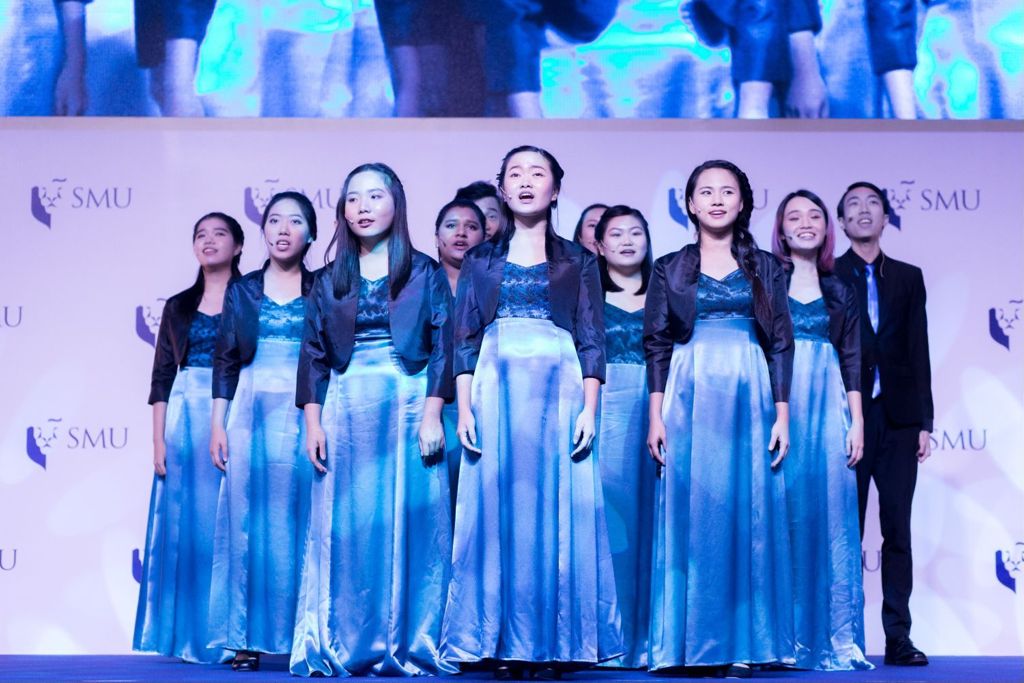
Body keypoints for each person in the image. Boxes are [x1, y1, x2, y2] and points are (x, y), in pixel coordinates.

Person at [441, 145, 622, 679]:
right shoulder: (480, 259)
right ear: (501, 188)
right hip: (496, 387)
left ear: (556, 189)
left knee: (555, 510)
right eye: (515, 174)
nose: (525, 182)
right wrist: (465, 404)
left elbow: (591, 335)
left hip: (558, 388)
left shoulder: (579, 259)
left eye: (536, 173)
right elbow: (466, 334)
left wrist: (591, 407)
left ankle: (552, 641)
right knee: (499, 510)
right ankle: (500, 639)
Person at [290, 163, 455, 676]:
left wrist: (433, 413)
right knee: (346, 524)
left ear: (396, 205)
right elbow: (313, 353)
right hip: (346, 404)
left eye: (374, 196)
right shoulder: (326, 279)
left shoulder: (424, 271)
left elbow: (445, 345)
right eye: (353, 198)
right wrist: (313, 423)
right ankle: (341, 640)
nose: (363, 207)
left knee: (414, 522)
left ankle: (411, 640)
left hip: (407, 400)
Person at [644, 159, 794, 676]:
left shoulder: (769, 267)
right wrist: (655, 415)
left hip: (749, 389)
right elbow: (657, 342)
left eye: (726, 191)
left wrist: (782, 413)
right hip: (689, 387)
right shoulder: (669, 267)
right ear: (688, 204)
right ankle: (690, 644)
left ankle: (744, 643)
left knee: (745, 510)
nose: (715, 199)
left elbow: (780, 343)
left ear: (743, 202)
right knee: (695, 511)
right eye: (704, 191)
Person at [208, 191, 318, 672]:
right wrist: (218, 422)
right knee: (245, 520)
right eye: (274, 220)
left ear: (311, 234)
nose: (282, 229)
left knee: (304, 518)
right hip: (250, 409)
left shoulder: (325, 288)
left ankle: (306, 633)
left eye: (295, 221)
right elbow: (226, 359)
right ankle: (243, 636)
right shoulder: (243, 290)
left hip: (306, 410)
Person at [134, 212, 244, 664]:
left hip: (238, 408)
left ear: (239, 246)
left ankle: (236, 634)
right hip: (185, 413)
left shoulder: (253, 295)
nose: (209, 241)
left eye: (220, 234)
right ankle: (191, 636)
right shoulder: (178, 306)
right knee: (189, 527)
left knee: (234, 523)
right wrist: (158, 440)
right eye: (201, 235)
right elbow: (162, 375)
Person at [772, 190, 872, 671]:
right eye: (795, 216)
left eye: (815, 215)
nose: (806, 223)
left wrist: (855, 422)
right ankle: (779, 638)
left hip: (828, 401)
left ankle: (831, 637)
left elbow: (853, 358)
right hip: (781, 403)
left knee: (828, 515)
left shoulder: (841, 289)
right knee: (782, 512)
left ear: (826, 228)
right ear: (782, 229)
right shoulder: (767, 283)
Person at [834, 181, 932, 666]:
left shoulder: (909, 277)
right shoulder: (829, 274)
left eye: (872, 203)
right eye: (853, 205)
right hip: (846, 419)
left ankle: (898, 637)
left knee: (898, 530)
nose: (864, 211)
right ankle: (843, 635)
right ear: (842, 221)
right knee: (844, 530)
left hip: (897, 420)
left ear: (886, 216)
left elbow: (919, 349)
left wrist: (924, 420)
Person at [592, 205, 655, 668]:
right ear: (598, 244)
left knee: (654, 526)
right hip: (605, 412)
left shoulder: (666, 294)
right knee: (610, 523)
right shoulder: (586, 296)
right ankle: (605, 639)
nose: (628, 241)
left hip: (656, 412)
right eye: (616, 234)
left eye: (637, 232)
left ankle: (651, 638)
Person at [434, 198, 487, 507]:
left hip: (481, 403)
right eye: (451, 225)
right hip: (433, 405)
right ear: (437, 236)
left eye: (471, 227)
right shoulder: (420, 281)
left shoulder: (494, 286)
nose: (461, 234)